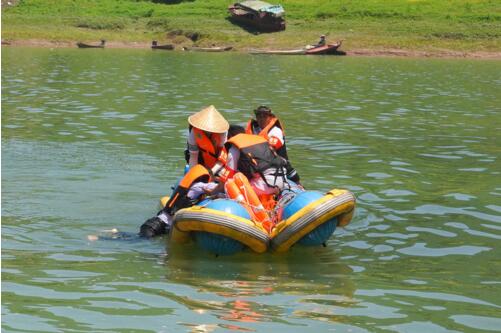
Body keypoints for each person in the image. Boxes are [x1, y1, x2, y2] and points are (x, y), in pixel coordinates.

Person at [139, 105, 229, 238]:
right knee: (194, 184)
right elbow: (193, 157)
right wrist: (195, 176)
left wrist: (212, 174)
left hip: (216, 169)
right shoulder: (194, 133)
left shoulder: (223, 135)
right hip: (203, 171)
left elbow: (223, 159)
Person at [245, 105, 301, 185]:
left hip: (278, 165)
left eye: (264, 116)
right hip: (256, 166)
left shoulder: (275, 131)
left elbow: (270, 150)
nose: (261, 119)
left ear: (270, 117)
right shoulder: (253, 130)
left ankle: (299, 187)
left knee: (294, 178)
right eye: (259, 116)